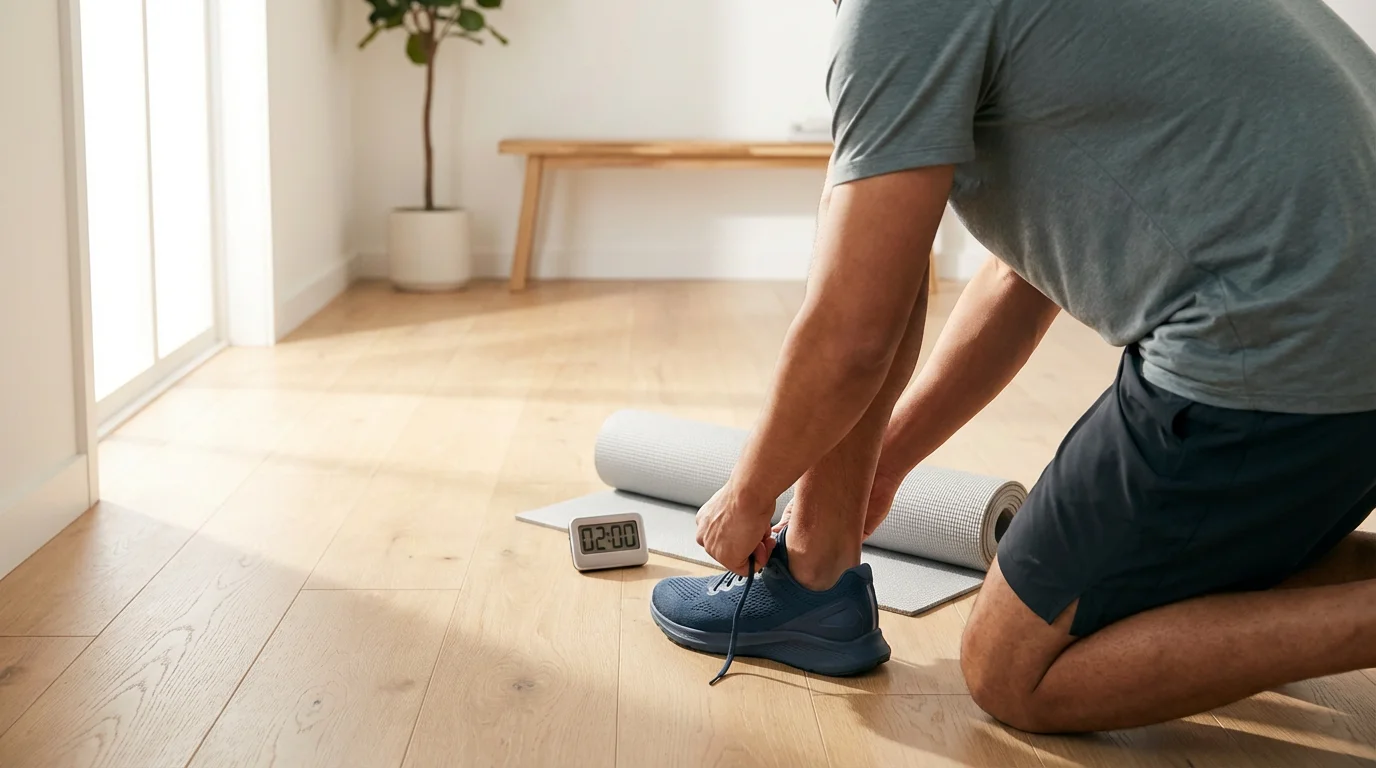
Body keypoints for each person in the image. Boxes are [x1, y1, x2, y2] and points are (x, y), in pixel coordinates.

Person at [647, 0, 1376, 734]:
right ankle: (815, 577)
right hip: (1331, 340)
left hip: (1279, 342)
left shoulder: (897, 14)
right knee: (877, 225)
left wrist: (748, 495)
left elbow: (853, 331)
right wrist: (886, 465)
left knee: (1014, 669)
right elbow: (1020, 275)